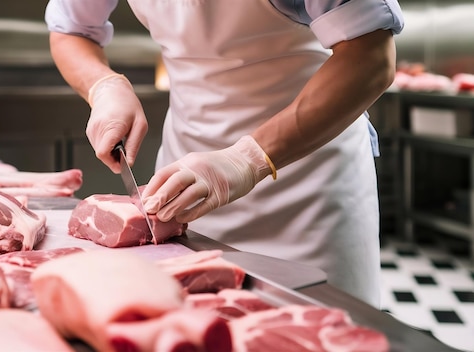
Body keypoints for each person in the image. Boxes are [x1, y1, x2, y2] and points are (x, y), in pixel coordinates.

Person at [45, 0, 405, 306]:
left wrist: (247, 159)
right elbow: (71, 29)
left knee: (314, 326)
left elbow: (370, 56)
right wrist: (104, 86)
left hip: (310, 183)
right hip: (186, 182)